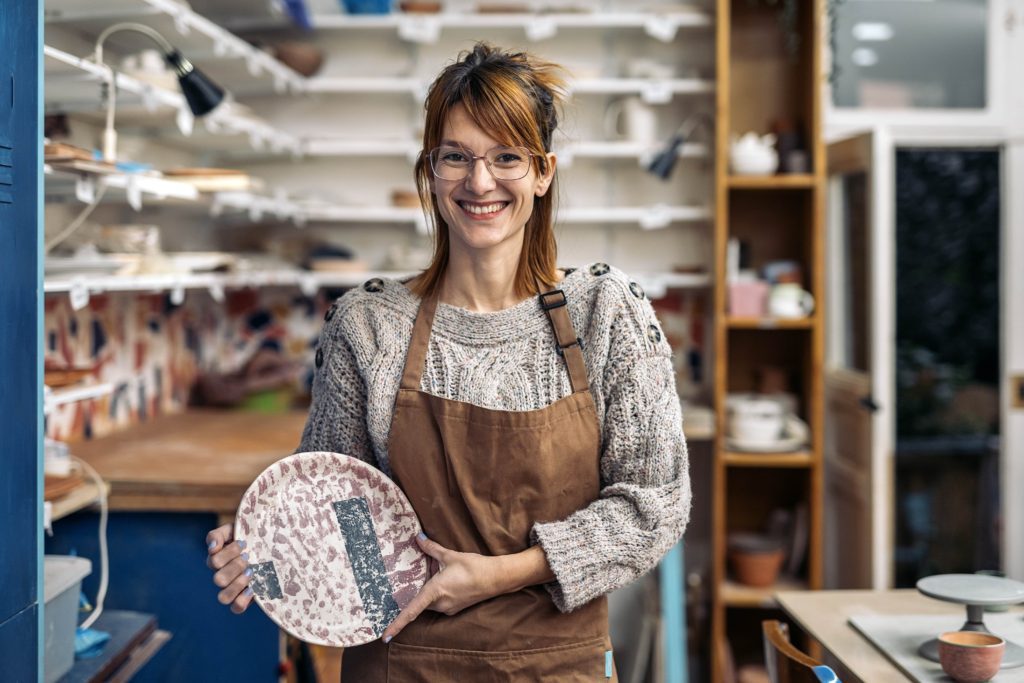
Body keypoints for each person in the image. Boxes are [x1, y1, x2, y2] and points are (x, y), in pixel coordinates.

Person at [205, 42, 690, 680]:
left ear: (542, 172)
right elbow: (332, 505)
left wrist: (502, 574)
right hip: (400, 663)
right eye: (456, 157)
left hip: (554, 667)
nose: (479, 182)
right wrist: (267, 544)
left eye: (506, 157)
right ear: (430, 172)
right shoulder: (369, 324)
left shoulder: (606, 311)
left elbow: (656, 503)